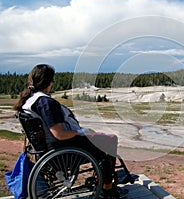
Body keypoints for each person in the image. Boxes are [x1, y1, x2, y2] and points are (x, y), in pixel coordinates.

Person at [14, 64, 127, 198]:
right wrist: (81, 132)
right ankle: (107, 187)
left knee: (101, 138)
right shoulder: (46, 103)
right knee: (110, 140)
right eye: (52, 80)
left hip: (48, 148)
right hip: (63, 149)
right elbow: (59, 134)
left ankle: (100, 179)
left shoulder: (29, 100)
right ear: (49, 82)